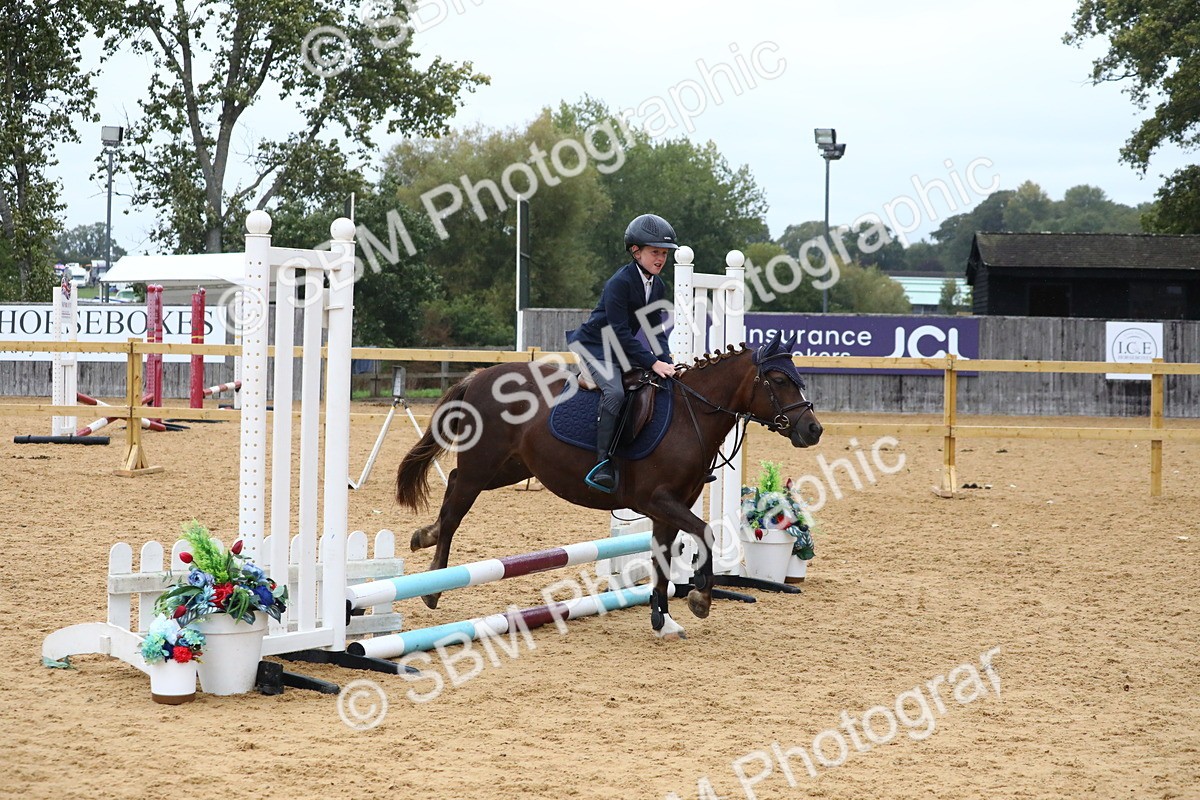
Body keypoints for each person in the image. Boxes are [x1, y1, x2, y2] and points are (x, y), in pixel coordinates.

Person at [567, 213, 679, 492]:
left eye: (664, 253)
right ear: (635, 251)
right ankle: (602, 463)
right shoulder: (620, 282)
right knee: (615, 392)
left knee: (663, 384)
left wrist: (667, 361)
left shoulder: (658, 285)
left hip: (620, 350)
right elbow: (620, 332)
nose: (661, 259)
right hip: (596, 347)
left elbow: (655, 331)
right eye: (655, 252)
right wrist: (652, 362)